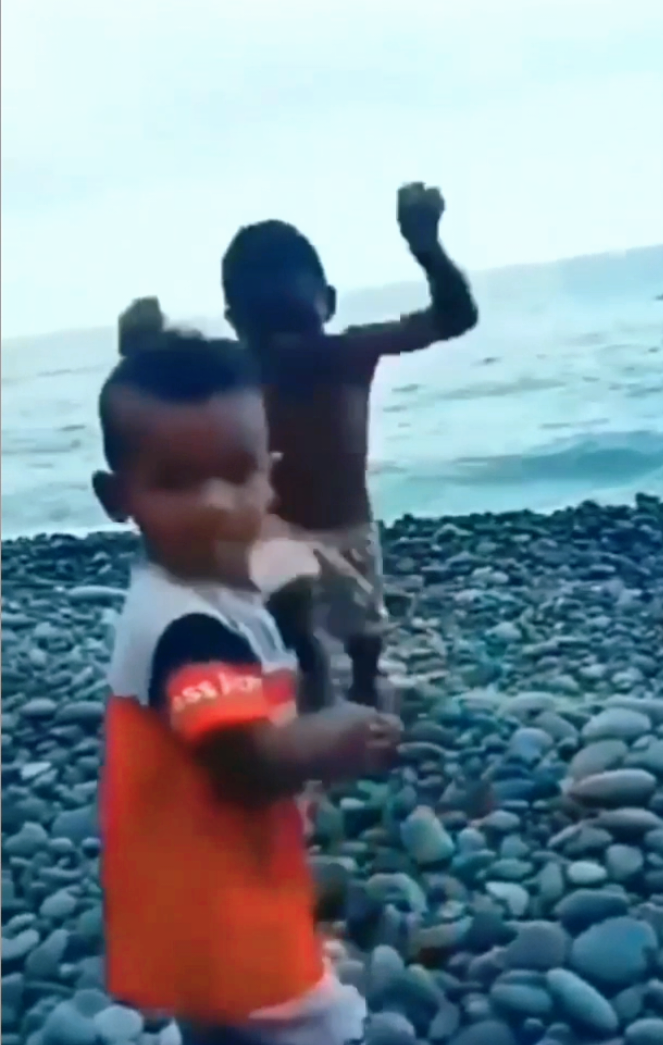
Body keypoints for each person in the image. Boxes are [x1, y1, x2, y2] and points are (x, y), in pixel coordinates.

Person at [93, 322, 402, 1044]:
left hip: (190, 880)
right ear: (117, 497)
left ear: (270, 474)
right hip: (216, 900)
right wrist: (333, 737)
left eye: (237, 475)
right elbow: (243, 764)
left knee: (217, 1021)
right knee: (315, 1024)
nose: (214, 501)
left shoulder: (199, 592)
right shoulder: (188, 629)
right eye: (176, 481)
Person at [221, 182, 479, 712]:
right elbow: (171, 397)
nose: (288, 347)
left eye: (295, 323)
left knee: (363, 632)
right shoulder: (239, 369)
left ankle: (360, 684)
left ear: (329, 305)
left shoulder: (348, 352)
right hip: (273, 524)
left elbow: (456, 317)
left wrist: (427, 249)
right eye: (268, 330)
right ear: (236, 326)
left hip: (348, 527)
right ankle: (310, 664)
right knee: (281, 584)